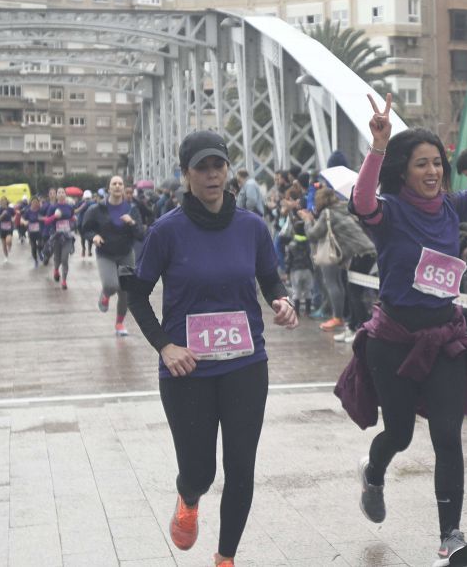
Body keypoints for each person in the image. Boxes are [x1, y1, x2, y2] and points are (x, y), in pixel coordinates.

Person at [336, 87, 467, 567]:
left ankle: (451, 537)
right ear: (404, 169)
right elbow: (361, 199)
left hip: (446, 338)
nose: (432, 172)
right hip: (394, 342)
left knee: (448, 436)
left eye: (437, 164)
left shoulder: (453, 206)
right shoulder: (389, 211)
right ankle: (374, 470)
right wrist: (378, 146)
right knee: (400, 434)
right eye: (421, 163)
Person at [124, 130, 298, 567]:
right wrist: (165, 346)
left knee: (241, 468)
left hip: (245, 365)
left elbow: (269, 278)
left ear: (228, 171)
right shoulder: (167, 232)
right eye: (201, 167)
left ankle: (226, 558)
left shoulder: (253, 227)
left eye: (218, 165)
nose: (212, 174)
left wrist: (282, 300)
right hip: (187, 371)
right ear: (186, 175)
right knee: (202, 471)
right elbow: (138, 295)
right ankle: (188, 496)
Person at [301, 187, 377, 341]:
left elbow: (313, 234)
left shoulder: (328, 213)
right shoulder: (342, 209)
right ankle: (352, 327)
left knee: (354, 291)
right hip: (364, 251)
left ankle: (360, 329)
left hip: (360, 253)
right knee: (351, 289)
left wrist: (307, 221)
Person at [83, 175, 145, 337]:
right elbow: (85, 228)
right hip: (106, 253)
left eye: (120, 184)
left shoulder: (132, 209)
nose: (117, 186)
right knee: (111, 285)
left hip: (125, 253)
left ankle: (119, 323)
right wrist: (93, 237)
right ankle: (105, 294)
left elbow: (140, 235)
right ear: (109, 188)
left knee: (125, 292)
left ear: (123, 188)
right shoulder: (97, 209)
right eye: (114, 184)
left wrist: (131, 222)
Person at [46, 195, 77, 290]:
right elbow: (47, 221)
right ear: (57, 195)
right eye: (58, 192)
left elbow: (72, 217)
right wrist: (54, 216)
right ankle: (56, 270)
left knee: (65, 258)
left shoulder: (69, 207)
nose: (61, 193)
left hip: (67, 236)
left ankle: (64, 281)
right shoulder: (53, 207)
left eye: (63, 191)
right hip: (56, 236)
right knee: (57, 258)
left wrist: (73, 219)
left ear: (64, 194)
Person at [21, 197, 44, 268]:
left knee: (41, 244)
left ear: (38, 203)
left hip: (40, 231)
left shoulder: (41, 210)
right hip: (31, 232)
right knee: (33, 247)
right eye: (33, 202)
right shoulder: (28, 211)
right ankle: (36, 261)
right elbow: (22, 219)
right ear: (31, 203)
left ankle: (40, 252)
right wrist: (24, 222)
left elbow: (46, 216)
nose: (34, 204)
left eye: (36, 202)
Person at [0, 196, 16, 260]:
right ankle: (6, 257)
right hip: (1, 228)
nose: (3, 202)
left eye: (4, 200)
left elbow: (14, 216)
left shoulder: (10, 209)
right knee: (4, 244)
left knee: (8, 241)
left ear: (6, 201)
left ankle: (10, 246)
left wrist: (13, 219)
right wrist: (2, 214)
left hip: (9, 227)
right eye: (1, 201)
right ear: (0, 202)